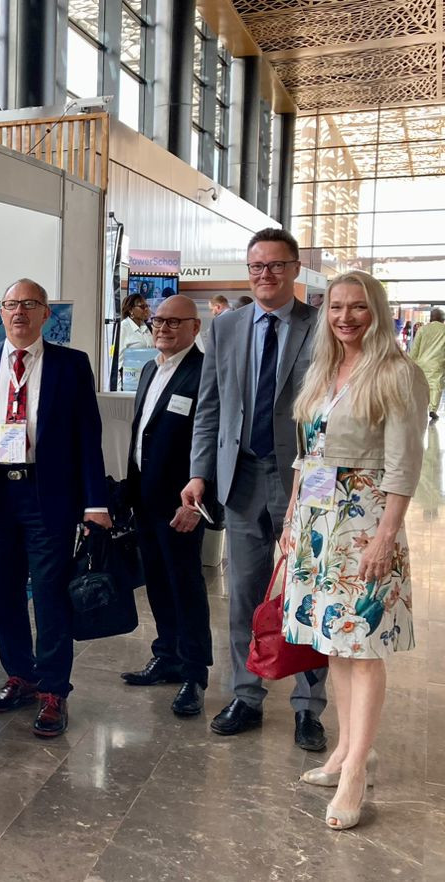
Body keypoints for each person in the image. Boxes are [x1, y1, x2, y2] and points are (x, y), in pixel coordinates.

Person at [281, 271, 427, 830]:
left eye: (358, 308)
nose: (346, 317)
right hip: (320, 518)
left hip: (365, 519)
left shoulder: (397, 373)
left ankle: (355, 775)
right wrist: (294, 516)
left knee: (363, 647)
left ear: (378, 311)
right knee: (335, 645)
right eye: (337, 307)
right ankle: (345, 749)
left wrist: (386, 535)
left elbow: (403, 464)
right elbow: (309, 452)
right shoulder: (324, 370)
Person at [181, 228, 329, 751]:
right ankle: (246, 694)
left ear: (294, 271)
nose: (265, 275)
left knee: (303, 594)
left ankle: (309, 707)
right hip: (241, 476)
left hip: (303, 482)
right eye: (256, 267)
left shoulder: (320, 327)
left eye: (275, 265)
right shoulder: (226, 328)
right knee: (244, 593)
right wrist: (200, 471)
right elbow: (211, 407)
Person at [0, 279, 111, 737]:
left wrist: (96, 502)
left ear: (44, 314)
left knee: (51, 593)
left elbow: (87, 437)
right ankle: (20, 676)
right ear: (1, 312)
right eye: (12, 305)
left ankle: (54, 689)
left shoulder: (71, 365)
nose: (19, 312)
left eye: (29, 305)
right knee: (4, 593)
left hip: (48, 495)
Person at [120, 296, 213, 717]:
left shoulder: (205, 373)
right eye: (159, 320)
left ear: (195, 328)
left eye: (175, 322)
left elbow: (210, 441)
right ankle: (167, 655)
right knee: (157, 581)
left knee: (186, 586)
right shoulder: (149, 369)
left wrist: (199, 502)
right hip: (145, 498)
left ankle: (194, 673)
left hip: (182, 503)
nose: (164, 328)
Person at [409, 307, 445, 420]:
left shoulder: (422, 330)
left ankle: (420, 406)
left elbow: (415, 349)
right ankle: (432, 409)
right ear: (442, 319)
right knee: (436, 387)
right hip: (437, 363)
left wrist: (411, 362)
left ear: (431, 318)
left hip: (421, 363)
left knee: (420, 385)